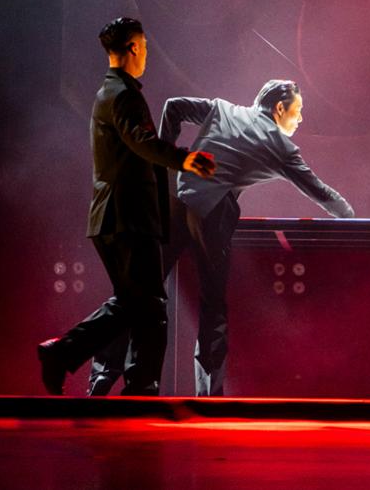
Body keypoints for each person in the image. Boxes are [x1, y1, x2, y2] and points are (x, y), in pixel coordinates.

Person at [87, 78, 355, 397]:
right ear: (280, 108)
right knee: (212, 304)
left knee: (139, 289)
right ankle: (208, 394)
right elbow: (320, 192)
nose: (300, 119)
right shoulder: (281, 148)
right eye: (297, 111)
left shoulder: (224, 110)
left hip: (175, 202)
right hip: (211, 215)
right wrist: (352, 218)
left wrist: (163, 167)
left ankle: (103, 374)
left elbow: (174, 107)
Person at [37, 17, 215, 396]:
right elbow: (141, 141)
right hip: (128, 218)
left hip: (114, 218)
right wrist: (183, 159)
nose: (147, 54)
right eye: (145, 47)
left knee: (138, 304)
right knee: (147, 304)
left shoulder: (110, 93)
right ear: (134, 47)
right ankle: (107, 372)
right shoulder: (124, 96)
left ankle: (133, 383)